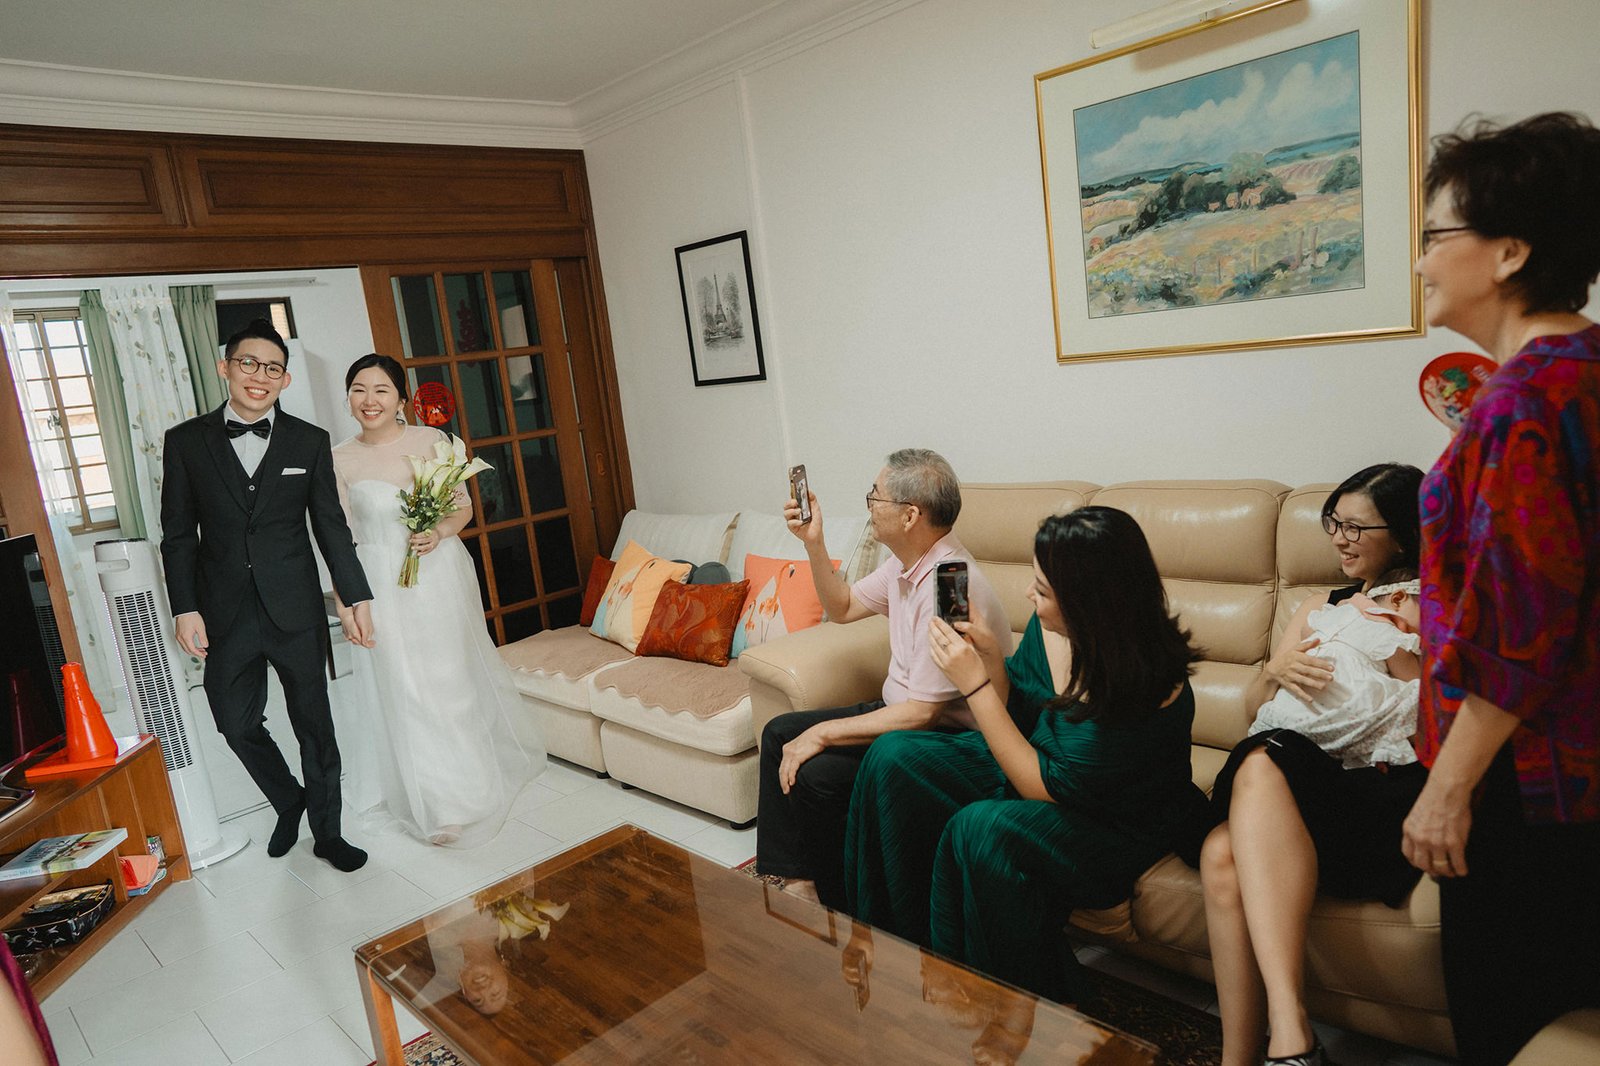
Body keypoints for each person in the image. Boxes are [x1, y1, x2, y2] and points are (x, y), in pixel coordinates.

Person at [1401, 112, 1600, 1065]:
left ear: (1511, 251)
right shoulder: (1583, 372)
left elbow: (1521, 633)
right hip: (1577, 779)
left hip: (1528, 788)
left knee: (1513, 1029)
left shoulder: (1524, 402)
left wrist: (1446, 791)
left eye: (1435, 235)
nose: (1421, 261)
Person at [847, 507, 1205, 1006]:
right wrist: (992, 662)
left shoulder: (1146, 683)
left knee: (980, 829)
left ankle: (1019, 999)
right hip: (1042, 768)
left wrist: (974, 684)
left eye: (1042, 590)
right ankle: (899, 946)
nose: (1030, 598)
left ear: (1088, 603)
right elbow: (1019, 709)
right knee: (895, 757)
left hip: (1109, 825)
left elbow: (1047, 787)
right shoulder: (1053, 628)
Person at [1199, 463, 1424, 1066]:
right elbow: (1254, 709)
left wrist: (1395, 648)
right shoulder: (1318, 608)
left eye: (1356, 527)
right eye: (1334, 523)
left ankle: (1288, 1031)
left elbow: (1431, 720)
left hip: (1366, 794)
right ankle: (1264, 1050)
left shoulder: (1426, 605)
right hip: (1288, 775)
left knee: (1226, 842)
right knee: (1243, 801)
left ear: (1404, 535)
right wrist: (1272, 672)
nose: (1339, 540)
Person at [755, 449, 1011, 910]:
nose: (869, 505)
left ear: (910, 515)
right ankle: (800, 882)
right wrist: (814, 542)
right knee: (779, 734)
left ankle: (843, 904)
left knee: (816, 773)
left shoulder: (951, 584)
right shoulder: (905, 562)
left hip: (942, 736)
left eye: (876, 496)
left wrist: (823, 733)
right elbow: (842, 607)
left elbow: (925, 714)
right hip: (899, 711)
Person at [161, 319, 373, 872]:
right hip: (224, 610)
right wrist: (185, 607)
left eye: (273, 368)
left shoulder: (309, 440)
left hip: (295, 607)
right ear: (225, 368)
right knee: (234, 722)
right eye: (249, 363)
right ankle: (288, 798)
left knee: (314, 724)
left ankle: (328, 833)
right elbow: (178, 535)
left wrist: (354, 597)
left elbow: (330, 527)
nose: (260, 376)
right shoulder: (186, 441)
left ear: (285, 379)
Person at [331, 353, 541, 847]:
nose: (369, 400)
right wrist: (345, 603)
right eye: (359, 390)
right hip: (377, 583)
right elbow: (339, 538)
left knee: (449, 682)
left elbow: (462, 508)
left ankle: (468, 790)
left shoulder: (433, 442)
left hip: (435, 575)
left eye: (381, 390)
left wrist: (438, 532)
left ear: (401, 399)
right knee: (404, 688)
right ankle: (437, 803)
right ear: (348, 399)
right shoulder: (338, 458)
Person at [1244, 569, 1422, 770]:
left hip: (1281, 718)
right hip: (1335, 724)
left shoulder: (1334, 612)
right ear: (1397, 599)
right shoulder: (1392, 637)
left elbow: (1307, 631)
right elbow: (1416, 684)